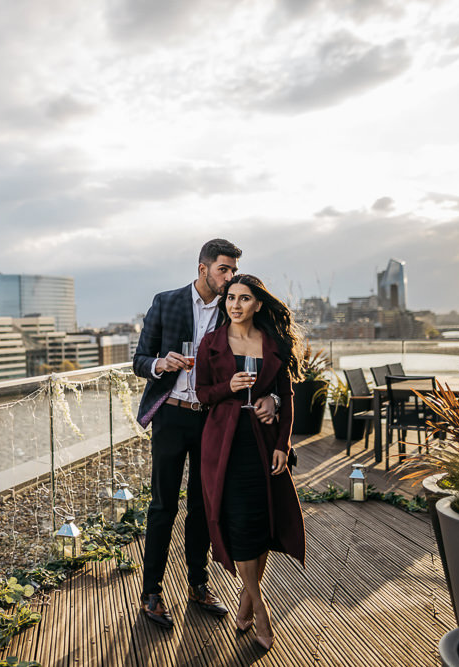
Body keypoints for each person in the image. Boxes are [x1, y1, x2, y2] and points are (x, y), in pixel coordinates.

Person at [132, 240, 279, 628]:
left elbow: (265, 363)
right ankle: (152, 592)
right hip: (170, 415)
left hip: (211, 419)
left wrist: (275, 398)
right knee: (163, 505)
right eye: (223, 270)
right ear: (203, 269)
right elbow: (139, 360)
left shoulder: (234, 309)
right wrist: (161, 363)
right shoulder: (166, 302)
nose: (229, 278)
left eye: (232, 271)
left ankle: (198, 584)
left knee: (203, 505)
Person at [194, 274, 306, 650]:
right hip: (224, 446)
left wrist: (281, 442)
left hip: (263, 444)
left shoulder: (272, 343)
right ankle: (260, 610)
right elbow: (202, 394)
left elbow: (285, 397)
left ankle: (245, 600)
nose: (235, 305)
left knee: (260, 520)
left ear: (258, 304)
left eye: (244, 299)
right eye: (230, 298)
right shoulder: (211, 342)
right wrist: (230, 388)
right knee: (239, 522)